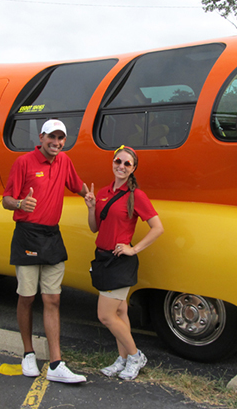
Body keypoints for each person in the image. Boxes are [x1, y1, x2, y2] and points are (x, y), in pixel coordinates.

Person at [3, 119, 89, 384]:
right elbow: (6, 200)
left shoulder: (64, 161)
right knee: (27, 297)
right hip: (27, 235)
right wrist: (20, 203)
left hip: (52, 236)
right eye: (52, 137)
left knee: (53, 300)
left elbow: (79, 186)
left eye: (61, 138)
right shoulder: (24, 163)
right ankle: (28, 353)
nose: (57, 143)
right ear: (41, 137)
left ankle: (55, 363)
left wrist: (93, 198)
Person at [83, 145, 164, 380]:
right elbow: (94, 228)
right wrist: (90, 208)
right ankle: (124, 358)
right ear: (113, 163)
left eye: (127, 163)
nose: (121, 166)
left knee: (106, 316)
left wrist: (134, 249)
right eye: (118, 161)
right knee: (119, 311)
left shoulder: (136, 195)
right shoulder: (103, 192)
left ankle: (136, 355)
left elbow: (158, 228)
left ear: (133, 168)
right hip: (102, 257)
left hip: (119, 262)